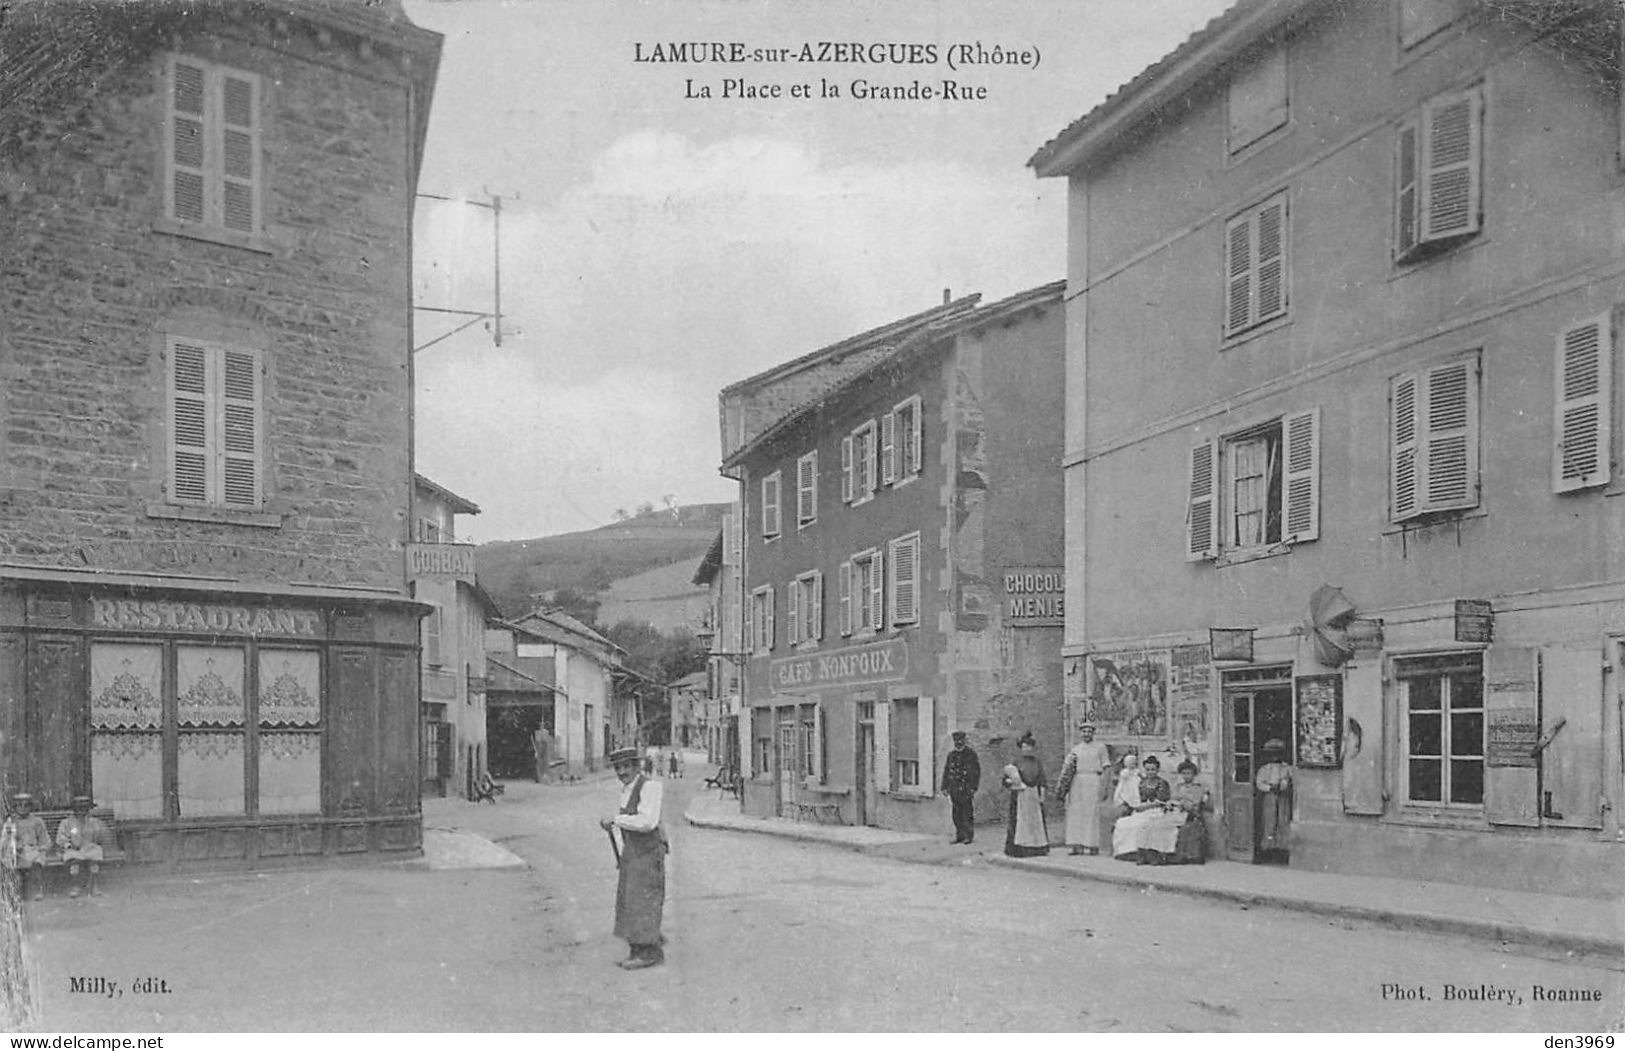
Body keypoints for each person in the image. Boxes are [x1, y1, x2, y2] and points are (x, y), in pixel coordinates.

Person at [600, 746, 668, 969]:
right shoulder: (627, 789)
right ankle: (640, 945)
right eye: (618, 768)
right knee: (630, 899)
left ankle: (649, 952)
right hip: (633, 851)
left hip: (648, 851)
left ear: (637, 766)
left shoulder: (650, 787)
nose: (622, 772)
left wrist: (617, 820)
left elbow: (648, 821)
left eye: (626, 767)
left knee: (644, 899)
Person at [1110, 754, 1180, 864]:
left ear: (1157, 770)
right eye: (1148, 770)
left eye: (1153, 769)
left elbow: (1161, 801)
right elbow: (1138, 797)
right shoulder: (1142, 782)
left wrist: (1144, 807)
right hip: (1142, 810)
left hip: (1157, 811)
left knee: (1142, 825)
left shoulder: (1162, 783)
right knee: (1124, 823)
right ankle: (1128, 852)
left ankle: (1144, 853)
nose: (1150, 772)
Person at [1056, 721, 1110, 855]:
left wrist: (1104, 787)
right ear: (1081, 733)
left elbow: (1106, 768)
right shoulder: (1076, 749)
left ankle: (1093, 845)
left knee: (1091, 813)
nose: (1086, 734)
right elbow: (1068, 769)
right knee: (1076, 812)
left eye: (1089, 731)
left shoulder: (1100, 747)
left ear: (1093, 733)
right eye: (1084, 731)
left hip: (1093, 780)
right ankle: (1077, 845)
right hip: (1077, 781)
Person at [1001, 733, 1049, 857]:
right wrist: (1011, 781)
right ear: (1021, 748)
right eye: (1024, 747)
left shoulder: (1037, 762)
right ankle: (1021, 848)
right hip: (1021, 795)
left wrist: (1042, 796)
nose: (1027, 749)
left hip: (1033, 795)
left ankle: (1037, 847)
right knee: (1021, 822)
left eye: (1029, 747)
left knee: (1035, 822)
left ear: (1033, 748)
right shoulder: (1016, 762)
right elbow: (1005, 779)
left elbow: (1042, 780)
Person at [57, 796, 110, 898]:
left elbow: (102, 836)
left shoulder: (94, 822)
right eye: (79, 808)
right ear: (74, 809)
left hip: (89, 847)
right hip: (74, 849)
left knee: (94, 861)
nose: (82, 811)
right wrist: (68, 845)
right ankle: (76, 886)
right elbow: (61, 838)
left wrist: (96, 840)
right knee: (75, 862)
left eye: (85, 808)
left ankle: (94, 885)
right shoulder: (67, 823)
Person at [1, 794, 50, 902]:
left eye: (26, 806)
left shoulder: (37, 821)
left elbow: (44, 839)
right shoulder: (11, 822)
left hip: (33, 850)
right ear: (15, 807)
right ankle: (16, 891)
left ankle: (38, 889)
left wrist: (42, 849)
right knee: (12, 864)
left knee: (36, 862)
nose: (23, 808)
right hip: (16, 851)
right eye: (19, 806)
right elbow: (5, 840)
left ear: (31, 807)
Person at [1255, 739, 1294, 862]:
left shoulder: (1286, 768)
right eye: (1272, 754)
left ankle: (1282, 850)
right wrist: (1270, 787)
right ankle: (1267, 850)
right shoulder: (1264, 769)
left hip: (1282, 798)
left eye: (1278, 753)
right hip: (1269, 797)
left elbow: (1289, 781)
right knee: (1269, 822)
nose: (1275, 756)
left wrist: (1283, 785)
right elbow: (1259, 783)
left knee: (1282, 821)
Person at [940, 731, 981, 845]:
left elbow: (976, 772)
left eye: (960, 740)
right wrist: (944, 786)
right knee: (956, 814)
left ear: (964, 740)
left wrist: (973, 787)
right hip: (954, 789)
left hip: (966, 789)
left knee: (967, 813)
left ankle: (968, 835)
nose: (958, 742)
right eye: (956, 741)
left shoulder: (970, 754)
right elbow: (947, 771)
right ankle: (960, 835)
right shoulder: (951, 755)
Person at [1170, 760, 1210, 864]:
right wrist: (1176, 803)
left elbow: (1198, 801)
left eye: (1188, 773)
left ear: (1194, 774)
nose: (1186, 776)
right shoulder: (1179, 786)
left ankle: (1190, 856)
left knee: (1187, 828)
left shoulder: (1199, 787)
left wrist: (1186, 804)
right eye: (1184, 773)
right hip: (1178, 811)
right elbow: (1174, 798)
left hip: (1193, 813)